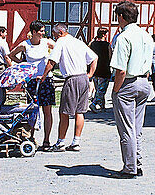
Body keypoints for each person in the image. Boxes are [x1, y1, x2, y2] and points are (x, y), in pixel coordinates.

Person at [109, 1, 153, 179]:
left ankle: (129, 167)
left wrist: (115, 90)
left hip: (128, 83)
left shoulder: (123, 37)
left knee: (126, 129)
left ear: (121, 17)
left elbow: (121, 70)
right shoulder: (146, 35)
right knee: (136, 127)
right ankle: (137, 163)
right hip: (144, 82)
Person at [43, 22, 97, 151]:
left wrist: (44, 75)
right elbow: (94, 58)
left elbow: (52, 61)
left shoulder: (61, 42)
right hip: (83, 77)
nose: (55, 38)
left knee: (64, 112)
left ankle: (60, 142)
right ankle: (76, 141)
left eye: (55, 35)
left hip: (72, 78)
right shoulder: (78, 42)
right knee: (80, 111)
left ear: (60, 33)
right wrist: (89, 74)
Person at [11, 20, 56, 148]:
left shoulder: (47, 43)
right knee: (32, 111)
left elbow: (59, 49)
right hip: (32, 81)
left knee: (47, 111)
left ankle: (46, 140)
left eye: (43, 30)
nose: (43, 33)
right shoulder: (25, 45)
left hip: (46, 80)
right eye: (41, 31)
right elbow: (11, 55)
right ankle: (30, 138)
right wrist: (22, 65)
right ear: (34, 32)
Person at [89, 28, 112, 112]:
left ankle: (102, 106)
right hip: (104, 70)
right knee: (101, 90)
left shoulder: (93, 44)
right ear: (104, 35)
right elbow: (110, 57)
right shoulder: (107, 45)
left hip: (95, 69)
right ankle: (94, 104)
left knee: (98, 88)